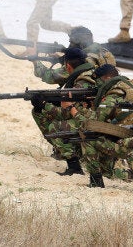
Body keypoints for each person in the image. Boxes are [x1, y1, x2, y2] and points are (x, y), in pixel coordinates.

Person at [75, 64, 133, 188]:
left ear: (107, 78)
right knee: (106, 132)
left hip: (131, 140)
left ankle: (96, 182)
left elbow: (95, 121)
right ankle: (108, 173)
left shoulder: (115, 92)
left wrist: (77, 109)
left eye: (98, 81)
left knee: (88, 137)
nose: (97, 86)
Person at [31, 48, 96, 176]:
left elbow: (69, 112)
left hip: (92, 122)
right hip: (93, 117)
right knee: (40, 111)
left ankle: (74, 167)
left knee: (56, 127)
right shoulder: (88, 72)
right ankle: (64, 151)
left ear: (67, 66)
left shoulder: (82, 82)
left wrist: (45, 106)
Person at [33, 26, 116, 86]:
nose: (70, 45)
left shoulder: (85, 60)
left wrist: (34, 60)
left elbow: (50, 77)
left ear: (80, 43)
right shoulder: (105, 53)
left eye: (72, 42)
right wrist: (62, 60)